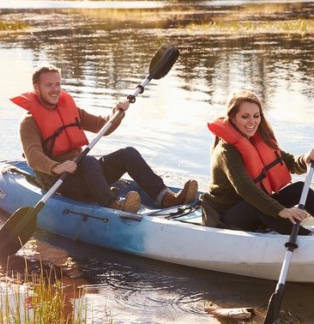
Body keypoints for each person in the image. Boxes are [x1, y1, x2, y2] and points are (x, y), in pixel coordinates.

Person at [11, 65, 198, 213]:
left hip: (83, 173)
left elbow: (102, 126)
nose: (55, 90)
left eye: (58, 84)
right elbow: (33, 156)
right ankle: (112, 205)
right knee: (88, 160)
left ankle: (165, 197)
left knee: (128, 154)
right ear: (36, 88)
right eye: (49, 85)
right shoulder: (29, 122)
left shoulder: (69, 110)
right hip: (60, 181)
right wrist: (57, 166)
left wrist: (117, 113)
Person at [200, 90, 314, 236]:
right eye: (245, 116)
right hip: (226, 218)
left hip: (253, 206)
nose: (252, 122)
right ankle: (308, 236)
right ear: (232, 118)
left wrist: (304, 160)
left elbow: (287, 161)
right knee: (260, 205)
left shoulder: (255, 140)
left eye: (256, 116)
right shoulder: (226, 151)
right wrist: (280, 210)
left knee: (299, 188)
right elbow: (245, 189)